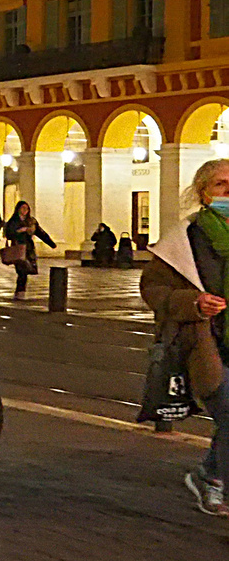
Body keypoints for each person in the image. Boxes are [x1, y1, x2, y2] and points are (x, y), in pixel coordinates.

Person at [141, 158, 229, 516]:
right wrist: (193, 302)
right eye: (222, 184)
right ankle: (213, 481)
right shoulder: (186, 238)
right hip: (205, 343)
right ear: (204, 194)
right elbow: (152, 288)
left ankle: (209, 472)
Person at [2, 201, 57, 300]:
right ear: (18, 209)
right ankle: (20, 291)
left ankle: (20, 291)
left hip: (28, 248)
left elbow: (41, 233)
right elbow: (8, 234)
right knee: (21, 270)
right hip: (18, 247)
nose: (24, 210)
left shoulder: (31, 221)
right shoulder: (13, 221)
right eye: (22, 208)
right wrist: (19, 231)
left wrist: (51, 243)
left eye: (26, 208)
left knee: (25, 270)